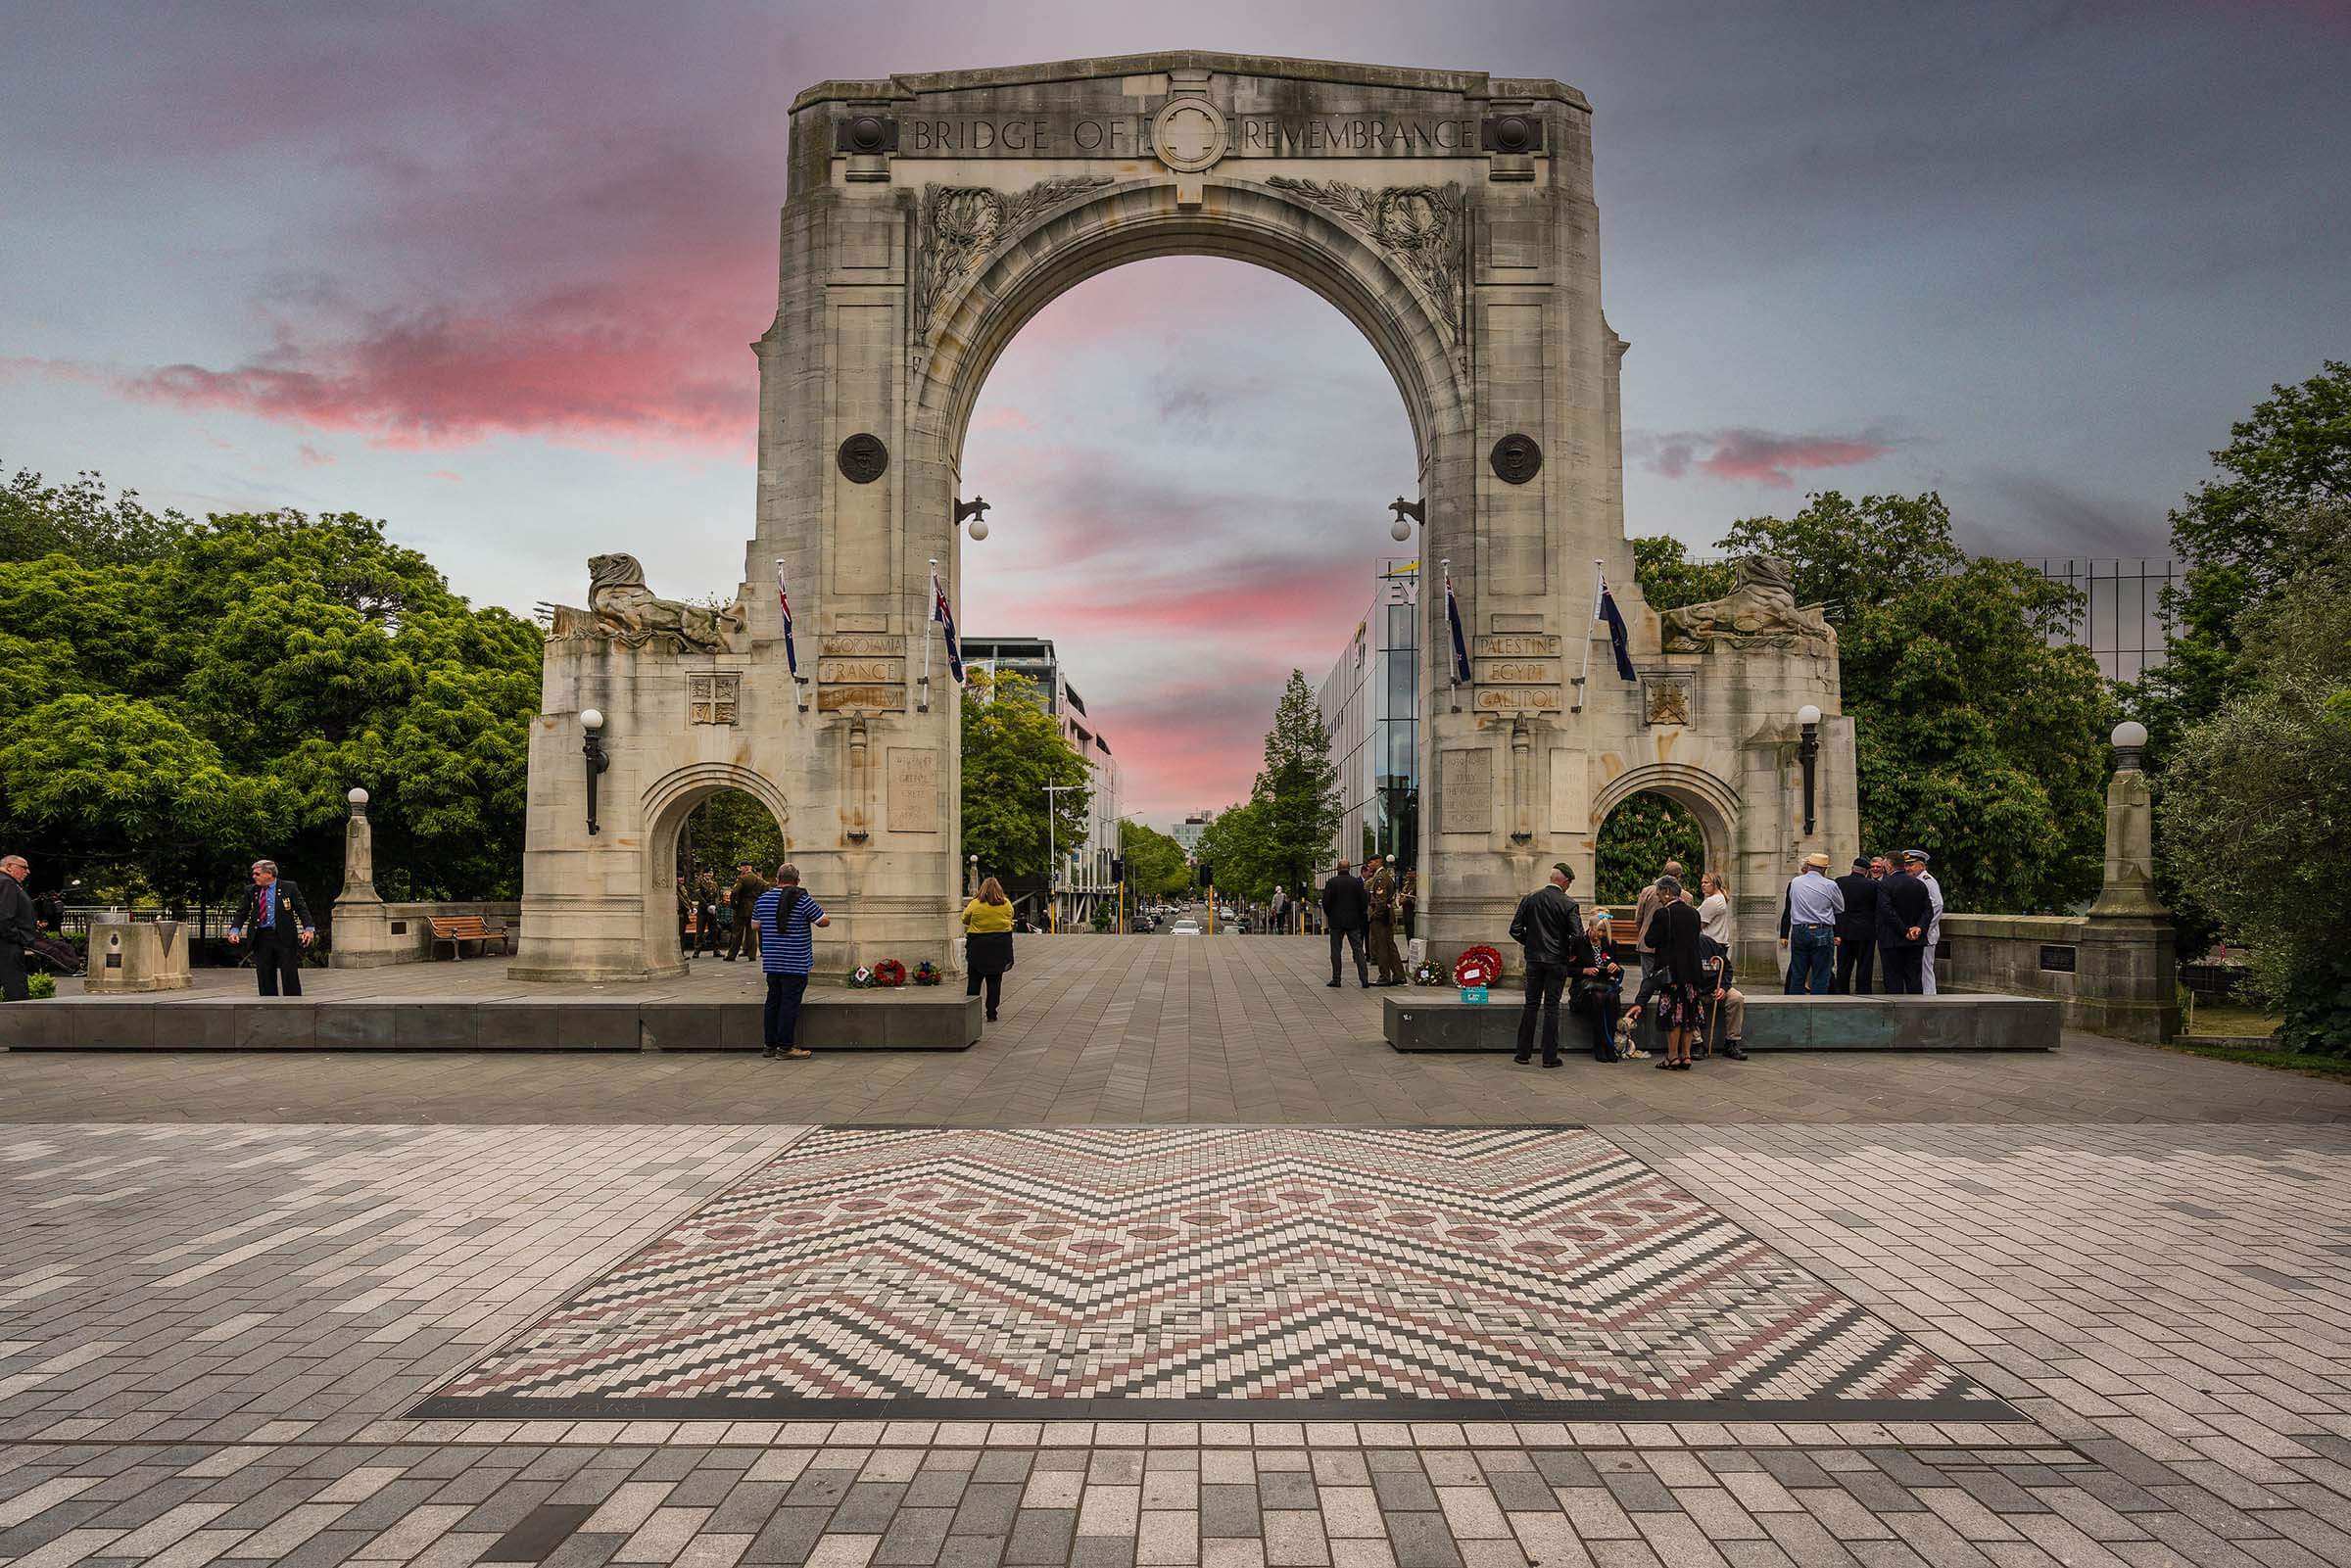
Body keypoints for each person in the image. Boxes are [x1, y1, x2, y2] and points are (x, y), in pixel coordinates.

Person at [1508, 862, 1582, 1068]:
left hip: (1534, 960)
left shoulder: (1530, 898)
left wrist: (1531, 944)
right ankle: (1549, 1057)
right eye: (1569, 883)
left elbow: (1514, 930)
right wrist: (1570, 953)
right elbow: (1578, 935)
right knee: (1551, 1006)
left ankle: (1522, 1053)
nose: (1569, 887)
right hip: (1557, 961)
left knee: (1530, 1004)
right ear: (1564, 881)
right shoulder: (1569, 904)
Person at [753, 863, 830, 1060]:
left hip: (772, 961)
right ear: (797, 881)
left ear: (777, 879)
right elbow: (823, 921)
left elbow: (755, 926)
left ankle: (769, 1045)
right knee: (789, 1004)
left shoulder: (762, 899)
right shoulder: (802, 899)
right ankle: (785, 1047)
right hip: (795, 962)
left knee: (772, 1002)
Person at [226, 859, 315, 997]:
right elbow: (242, 912)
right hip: (261, 936)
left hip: (283, 936)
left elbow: (301, 909)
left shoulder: (288, 887)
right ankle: (268, 1004)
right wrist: (234, 931)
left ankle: (293, 1004)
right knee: (264, 973)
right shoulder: (251, 890)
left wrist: (309, 929)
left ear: (269, 873)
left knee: (289, 971)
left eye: (257, 873)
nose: (254, 876)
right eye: (253, 874)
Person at [1648, 874, 1706, 1069]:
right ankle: (1687, 1055)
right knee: (1689, 1014)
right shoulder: (1694, 913)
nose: (1656, 896)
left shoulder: (1664, 914)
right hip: (1692, 972)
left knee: (1673, 1014)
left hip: (1672, 973)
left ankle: (1672, 1056)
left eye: (1658, 893)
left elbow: (1650, 940)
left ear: (1666, 892)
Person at [1777, 853, 1843, 996]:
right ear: (1824, 869)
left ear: (1809, 866)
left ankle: (1795, 1008)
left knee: (1798, 973)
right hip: (1822, 930)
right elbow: (1840, 908)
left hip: (1800, 930)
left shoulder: (1795, 882)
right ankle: (1817, 1007)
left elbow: (1790, 907)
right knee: (1821, 974)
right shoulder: (1830, 885)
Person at [1875, 851, 1935, 994]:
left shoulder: (1885, 884)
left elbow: (1887, 911)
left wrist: (1904, 931)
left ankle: (1896, 1015)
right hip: (1915, 940)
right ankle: (1917, 1013)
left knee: (1893, 980)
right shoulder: (1919, 884)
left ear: (1889, 865)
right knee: (1914, 979)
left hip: (1892, 940)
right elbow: (1928, 910)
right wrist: (1919, 928)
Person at [961, 876, 1015, 1022]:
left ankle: (971, 1013)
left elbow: (964, 919)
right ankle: (992, 1013)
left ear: (982, 888)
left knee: (974, 981)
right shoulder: (1006, 904)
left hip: (978, 947)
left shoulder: (975, 904)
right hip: (999, 948)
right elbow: (1010, 918)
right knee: (994, 982)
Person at [1697, 934, 1749, 1061]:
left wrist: (1723, 988)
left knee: (1737, 998)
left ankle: (1731, 1042)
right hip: (1696, 990)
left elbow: (1727, 969)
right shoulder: (1681, 945)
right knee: (1687, 999)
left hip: (1717, 986)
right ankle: (1696, 1044)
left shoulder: (1709, 943)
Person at [1320, 860, 1371, 988]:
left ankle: (1336, 979)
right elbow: (1363, 902)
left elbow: (1326, 902)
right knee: (1358, 950)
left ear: (1337, 868)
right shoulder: (1356, 883)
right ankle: (1364, 979)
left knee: (1336, 951)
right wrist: (1358, 915)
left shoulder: (1331, 882)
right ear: (1349, 868)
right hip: (1353, 921)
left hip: (1336, 921)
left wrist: (1331, 914)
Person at [1832, 857, 1880, 994]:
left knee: (1843, 965)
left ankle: (1841, 992)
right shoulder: (1873, 885)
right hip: (1866, 932)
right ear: (1866, 872)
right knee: (1864, 965)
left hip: (1844, 930)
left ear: (1852, 869)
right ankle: (1863, 992)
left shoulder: (1840, 882)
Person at [1632, 859, 1684, 969]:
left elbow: (1638, 918)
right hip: (1674, 946)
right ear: (1679, 876)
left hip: (1648, 944)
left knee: (1649, 979)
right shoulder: (1686, 896)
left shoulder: (1647, 891)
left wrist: (1645, 932)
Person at [0, 855, 37, 1002]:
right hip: (8, 945)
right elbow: (4, 916)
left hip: (8, 942)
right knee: (16, 991)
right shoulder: (6, 883)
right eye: (24, 867)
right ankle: (21, 1023)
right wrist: (18, 937)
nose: (27, 872)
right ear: (9, 866)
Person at [1366, 855, 1405, 985]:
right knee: (1389, 946)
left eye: (1370, 862)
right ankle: (1399, 975)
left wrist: (1375, 915)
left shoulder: (1381, 877)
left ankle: (1384, 976)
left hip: (1381, 918)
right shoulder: (1382, 876)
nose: (1369, 865)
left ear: (1377, 862)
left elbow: (1381, 901)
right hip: (1386, 916)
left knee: (1381, 947)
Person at [1913, 850, 1947, 994]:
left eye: (1912, 865)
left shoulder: (1927, 880)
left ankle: (1929, 997)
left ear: (1922, 866)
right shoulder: (1917, 880)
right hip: (1921, 932)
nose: (1908, 868)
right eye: (1907, 865)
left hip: (1926, 934)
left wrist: (1924, 927)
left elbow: (1938, 905)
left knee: (1925, 968)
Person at [724, 862, 766, 963]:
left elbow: (734, 892)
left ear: (744, 868)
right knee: (751, 932)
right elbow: (765, 890)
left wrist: (733, 905)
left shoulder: (742, 878)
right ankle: (752, 955)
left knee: (737, 932)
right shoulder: (759, 879)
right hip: (754, 907)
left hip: (742, 908)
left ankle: (732, 955)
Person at [1697, 871, 1734, 955]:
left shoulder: (1713, 900)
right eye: (1702, 882)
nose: (1703, 885)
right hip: (1716, 943)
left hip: (1710, 944)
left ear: (1715, 884)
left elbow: (1700, 924)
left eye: (1706, 882)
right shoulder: (1718, 898)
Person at [694, 872, 723, 957]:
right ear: (704, 874)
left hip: (713, 910)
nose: (708, 875)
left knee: (714, 930)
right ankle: (697, 950)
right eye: (707, 873)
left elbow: (717, 896)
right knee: (700, 930)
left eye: (710, 873)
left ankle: (716, 950)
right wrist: (707, 906)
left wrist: (715, 906)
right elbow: (698, 895)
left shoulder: (715, 884)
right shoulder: (699, 883)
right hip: (703, 909)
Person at [1399, 872, 1418, 943]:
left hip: (1412, 913)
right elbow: (1402, 894)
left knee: (1412, 933)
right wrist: (1400, 900)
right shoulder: (1406, 885)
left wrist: (1406, 900)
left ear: (1415, 874)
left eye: (1411, 874)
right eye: (1408, 874)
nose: (1408, 876)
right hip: (1405, 913)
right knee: (1408, 935)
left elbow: (1417, 899)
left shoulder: (1417, 885)